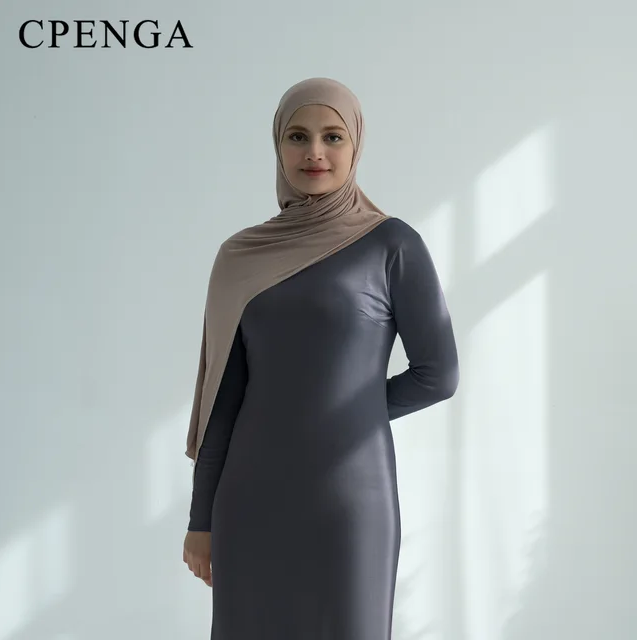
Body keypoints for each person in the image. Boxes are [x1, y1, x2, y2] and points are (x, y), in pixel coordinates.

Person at [182, 77, 459, 639]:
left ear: (355, 145)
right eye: (297, 136)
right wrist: (200, 520)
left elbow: (438, 375)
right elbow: (221, 402)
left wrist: (348, 413)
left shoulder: (392, 244)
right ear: (278, 146)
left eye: (333, 136)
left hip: (351, 501)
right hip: (251, 498)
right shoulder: (241, 256)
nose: (314, 152)